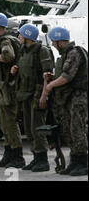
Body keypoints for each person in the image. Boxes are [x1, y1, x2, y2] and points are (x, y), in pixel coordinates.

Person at [44, 27, 87, 176]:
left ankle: (82, 162)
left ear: (61, 41)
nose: (53, 45)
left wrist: (50, 85)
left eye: (55, 42)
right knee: (68, 130)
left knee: (77, 129)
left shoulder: (75, 53)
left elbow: (66, 77)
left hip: (78, 97)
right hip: (68, 98)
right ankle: (74, 160)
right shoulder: (65, 55)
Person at [11, 24, 54, 172]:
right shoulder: (23, 51)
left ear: (28, 36)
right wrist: (14, 70)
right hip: (25, 94)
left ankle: (43, 160)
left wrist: (44, 96)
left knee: (38, 128)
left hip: (37, 94)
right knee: (29, 129)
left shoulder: (41, 51)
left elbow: (47, 75)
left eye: (21, 35)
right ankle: (36, 158)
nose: (19, 37)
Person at [0, 13, 25, 168]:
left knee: (9, 122)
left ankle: (17, 156)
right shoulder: (7, 39)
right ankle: (9, 154)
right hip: (4, 87)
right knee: (3, 121)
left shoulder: (5, 40)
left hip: (9, 87)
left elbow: (8, 57)